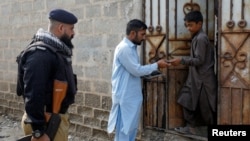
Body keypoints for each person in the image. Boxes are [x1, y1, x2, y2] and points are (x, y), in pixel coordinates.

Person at [16, 9, 78, 141]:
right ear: (61, 28)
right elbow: (33, 93)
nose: (73, 33)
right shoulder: (40, 54)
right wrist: (38, 131)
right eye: (71, 29)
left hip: (55, 119)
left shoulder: (56, 51)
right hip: (46, 123)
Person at [107, 19, 171, 141]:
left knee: (130, 131)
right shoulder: (124, 48)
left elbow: (135, 71)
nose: (144, 37)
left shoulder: (131, 48)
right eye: (142, 34)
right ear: (132, 33)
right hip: (125, 98)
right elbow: (136, 70)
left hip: (131, 97)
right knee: (124, 133)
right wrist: (156, 65)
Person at [168, 10, 217, 134]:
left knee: (207, 109)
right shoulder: (197, 37)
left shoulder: (201, 38)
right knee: (186, 99)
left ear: (199, 24)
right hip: (195, 79)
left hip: (203, 80)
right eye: (187, 25)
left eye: (190, 25)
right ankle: (191, 127)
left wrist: (181, 60)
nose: (188, 28)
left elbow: (199, 60)